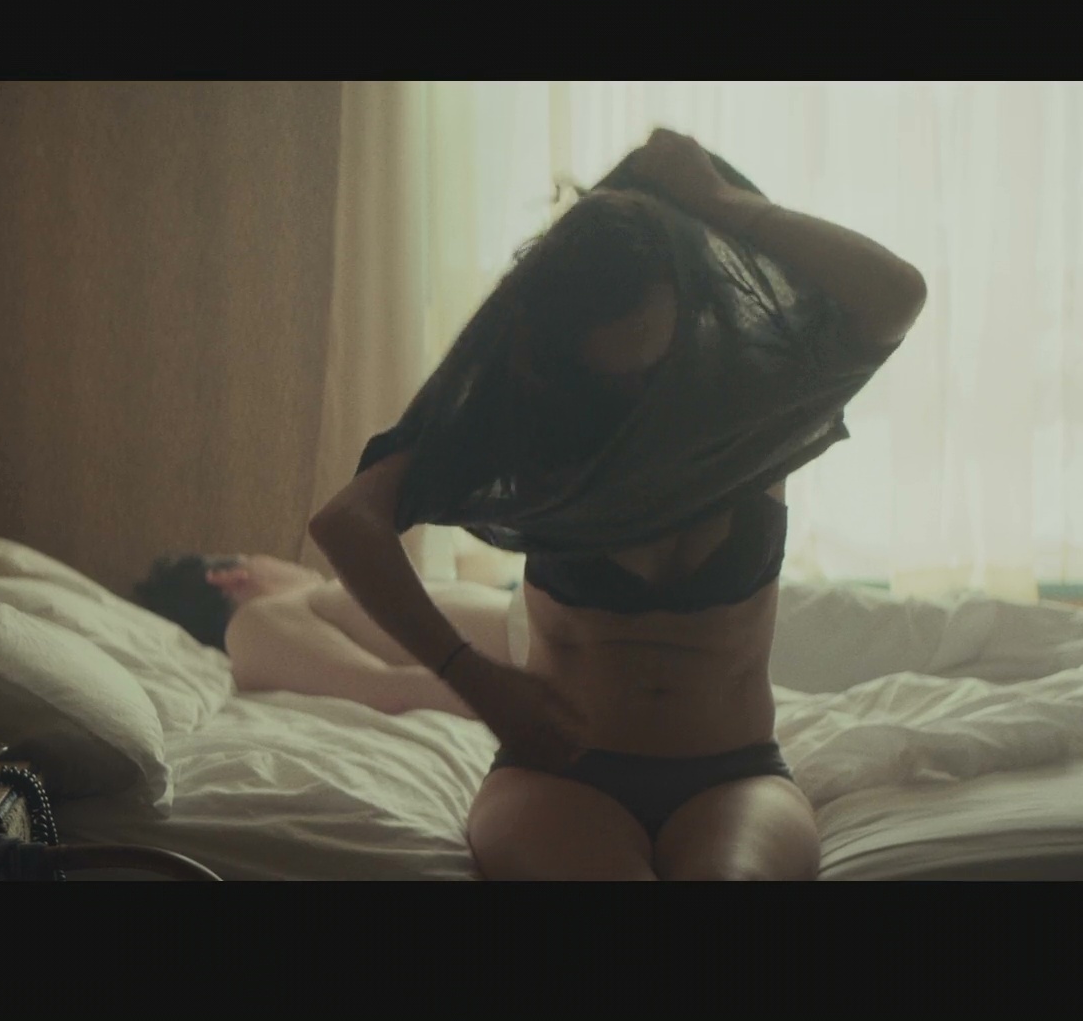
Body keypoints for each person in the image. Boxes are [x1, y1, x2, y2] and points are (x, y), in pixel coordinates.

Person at [308, 129, 926, 880]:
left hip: (735, 774)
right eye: (612, 379)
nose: (637, 397)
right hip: (560, 777)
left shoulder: (750, 399)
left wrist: (716, 198)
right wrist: (473, 678)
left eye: (652, 364)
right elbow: (346, 523)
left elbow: (896, 293)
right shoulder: (523, 415)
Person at [133, 552, 516, 720]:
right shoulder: (253, 623)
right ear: (229, 577)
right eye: (253, 555)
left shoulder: (319, 601)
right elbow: (388, 689)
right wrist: (533, 705)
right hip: (534, 652)